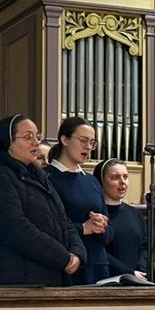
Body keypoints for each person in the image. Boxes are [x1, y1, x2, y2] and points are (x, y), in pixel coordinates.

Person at [0, 115, 85, 286]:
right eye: (28, 137)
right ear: (9, 142)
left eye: (37, 136)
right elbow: (16, 229)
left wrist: (77, 253)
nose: (36, 142)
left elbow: (64, 220)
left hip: (50, 276)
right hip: (17, 281)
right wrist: (63, 258)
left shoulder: (41, 177)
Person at [45, 117, 111, 284]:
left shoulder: (92, 181)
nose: (88, 147)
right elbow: (45, 227)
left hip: (98, 265)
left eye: (92, 142)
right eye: (83, 140)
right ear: (65, 140)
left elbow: (110, 233)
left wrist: (102, 226)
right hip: (67, 264)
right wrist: (83, 228)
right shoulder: (47, 178)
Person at [93, 158, 149, 278]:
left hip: (138, 279)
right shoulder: (96, 214)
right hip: (107, 279)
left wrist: (141, 270)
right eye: (115, 177)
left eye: (125, 177)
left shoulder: (135, 214)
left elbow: (145, 247)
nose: (122, 182)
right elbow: (99, 251)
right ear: (101, 181)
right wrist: (129, 273)